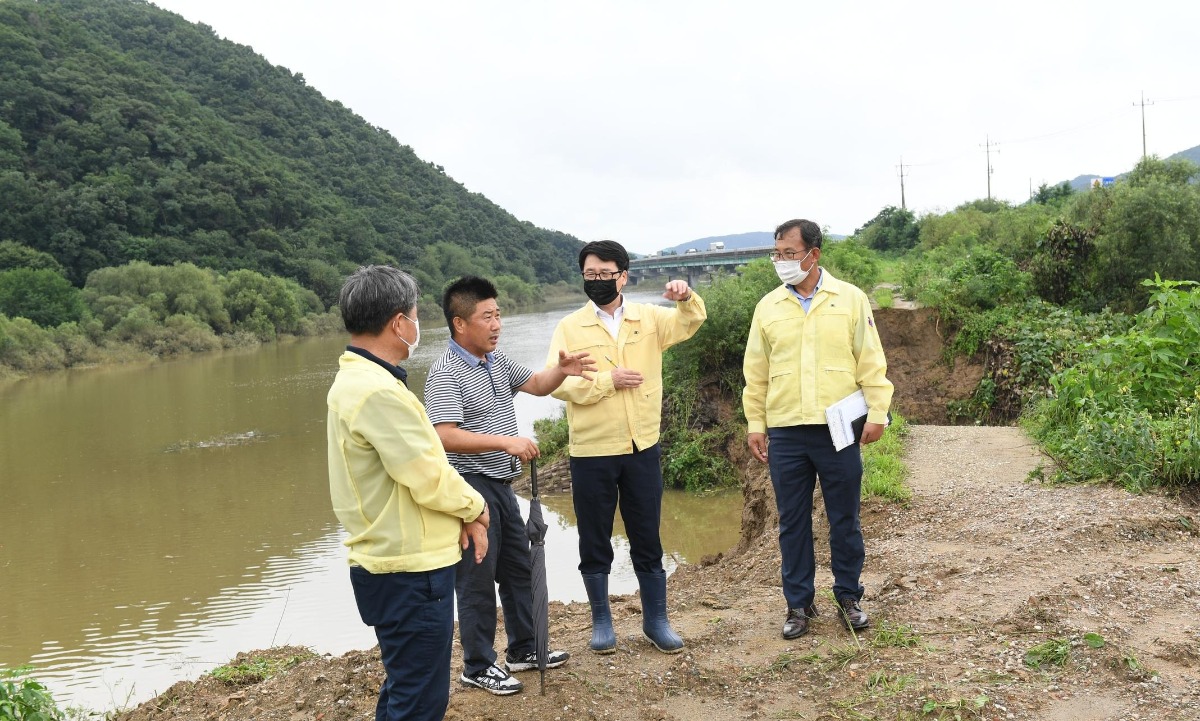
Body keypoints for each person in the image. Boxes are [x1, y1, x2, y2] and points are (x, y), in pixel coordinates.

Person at [326, 265, 491, 721]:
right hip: (409, 570)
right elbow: (426, 474)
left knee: (406, 687)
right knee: (420, 700)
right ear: (400, 323)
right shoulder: (377, 391)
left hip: (393, 562)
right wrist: (476, 508)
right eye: (416, 316)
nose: (418, 326)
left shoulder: (362, 380)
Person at [424, 276, 596, 695]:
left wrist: (562, 371)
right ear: (460, 323)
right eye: (487, 317)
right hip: (468, 486)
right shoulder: (446, 372)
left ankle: (523, 648)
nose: (497, 324)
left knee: (519, 568)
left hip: (501, 484)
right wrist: (505, 441)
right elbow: (443, 435)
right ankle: (477, 665)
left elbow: (536, 384)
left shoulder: (495, 360)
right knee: (477, 577)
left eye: (498, 315)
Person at [546, 240, 707, 655]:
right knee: (594, 539)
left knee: (647, 536)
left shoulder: (649, 318)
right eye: (590, 274)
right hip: (591, 450)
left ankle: (656, 621)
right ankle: (602, 622)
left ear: (623, 276)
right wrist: (607, 382)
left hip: (642, 446)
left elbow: (690, 322)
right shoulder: (569, 327)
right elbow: (557, 384)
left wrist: (685, 296)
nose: (597, 280)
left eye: (605, 274)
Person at [742, 219, 894, 639]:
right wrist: (756, 424)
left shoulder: (849, 299)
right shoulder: (768, 307)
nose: (782, 261)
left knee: (844, 518)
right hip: (786, 430)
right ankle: (798, 604)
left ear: (814, 254)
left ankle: (848, 598)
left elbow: (871, 360)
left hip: (837, 430)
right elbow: (756, 372)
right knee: (792, 522)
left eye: (789, 253)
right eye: (777, 254)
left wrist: (878, 412)